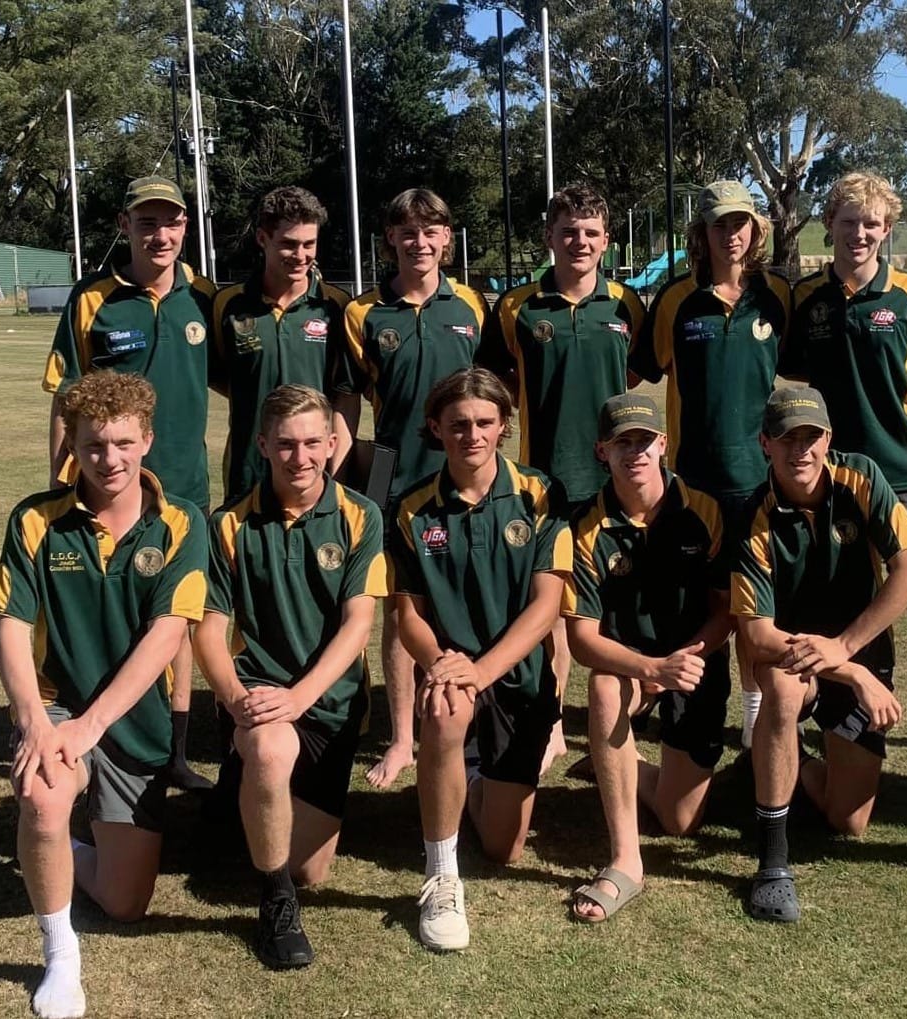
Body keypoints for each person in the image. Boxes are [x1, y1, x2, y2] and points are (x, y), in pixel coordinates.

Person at [0, 371, 208, 1019]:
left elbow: (167, 635)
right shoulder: (35, 518)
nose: (107, 459)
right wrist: (35, 720)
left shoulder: (180, 522)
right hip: (61, 708)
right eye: (92, 445)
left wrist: (92, 726)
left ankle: (68, 844)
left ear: (145, 440)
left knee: (125, 902)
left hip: (129, 720)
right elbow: (8, 625)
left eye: (120, 442)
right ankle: (61, 952)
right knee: (41, 788)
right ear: (72, 447)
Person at [194, 385, 387, 968]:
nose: (299, 458)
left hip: (328, 705)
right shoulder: (228, 522)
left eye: (311, 444)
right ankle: (275, 906)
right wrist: (236, 701)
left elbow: (358, 625)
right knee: (272, 753)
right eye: (284, 445)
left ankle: (242, 800)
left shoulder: (361, 514)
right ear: (262, 446)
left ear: (333, 443)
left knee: (312, 868)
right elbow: (208, 628)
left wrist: (302, 696)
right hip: (261, 701)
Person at [41, 174, 217, 791]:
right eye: (147, 222)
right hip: (106, 490)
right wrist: (59, 482)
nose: (160, 233)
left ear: (185, 226)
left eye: (170, 221)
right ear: (125, 226)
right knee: (109, 612)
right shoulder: (93, 299)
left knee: (179, 620)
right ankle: (96, 733)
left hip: (185, 490)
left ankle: (173, 752)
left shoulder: (205, 298)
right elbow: (67, 398)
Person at [387, 367, 571, 952]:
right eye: (459, 424)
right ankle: (442, 874)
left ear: (503, 427)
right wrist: (443, 663)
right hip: (453, 671)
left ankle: (466, 774)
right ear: (436, 428)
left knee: (504, 847)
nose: (472, 435)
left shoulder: (541, 493)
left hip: (515, 675)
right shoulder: (411, 508)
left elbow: (547, 607)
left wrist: (484, 669)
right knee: (444, 710)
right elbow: (406, 614)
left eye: (485, 423)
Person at [732, 386, 907, 922]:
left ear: (829, 440)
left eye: (811, 437)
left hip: (856, 653)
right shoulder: (753, 515)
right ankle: (772, 864)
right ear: (764, 443)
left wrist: (846, 652)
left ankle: (770, 762)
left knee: (850, 822)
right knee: (779, 686)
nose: (802, 450)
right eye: (787, 438)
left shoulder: (861, 478)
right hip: (796, 660)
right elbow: (757, 636)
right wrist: (850, 673)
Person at [478, 183, 646, 771]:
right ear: (549, 237)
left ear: (607, 241)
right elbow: (496, 390)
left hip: (613, 482)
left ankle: (619, 719)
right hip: (544, 483)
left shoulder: (630, 306)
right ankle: (548, 720)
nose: (580, 241)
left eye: (592, 233)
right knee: (548, 609)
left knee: (617, 605)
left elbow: (643, 376)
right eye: (569, 231)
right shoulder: (516, 306)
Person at [335, 188, 489, 792]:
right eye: (407, 233)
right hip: (394, 478)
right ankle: (401, 737)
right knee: (401, 612)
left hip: (464, 478)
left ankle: (467, 714)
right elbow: (347, 410)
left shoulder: (475, 306)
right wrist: (344, 488)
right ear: (390, 240)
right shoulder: (364, 313)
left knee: (466, 599)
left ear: (447, 239)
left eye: (431, 232)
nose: (419, 243)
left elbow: (491, 397)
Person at [629, 179, 790, 750]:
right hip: (691, 483)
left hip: (755, 480)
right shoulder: (675, 299)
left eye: (741, 223)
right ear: (703, 233)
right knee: (686, 603)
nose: (732, 234)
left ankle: (751, 717)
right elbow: (632, 376)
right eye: (720, 224)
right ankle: (660, 697)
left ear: (757, 230)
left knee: (749, 604)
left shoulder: (776, 296)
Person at [780, 170, 907, 672]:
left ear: (887, 230)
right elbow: (791, 374)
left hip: (904, 469)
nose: (859, 234)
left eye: (872, 224)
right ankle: (844, 713)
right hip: (832, 474)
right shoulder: (807, 298)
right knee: (841, 599)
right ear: (829, 225)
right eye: (850, 222)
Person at [564, 394, 732, 922]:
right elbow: (582, 639)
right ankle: (625, 863)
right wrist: (649, 670)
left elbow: (727, 614)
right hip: (632, 667)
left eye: (644, 440)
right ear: (602, 451)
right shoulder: (586, 525)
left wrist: (683, 662)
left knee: (681, 822)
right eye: (622, 443)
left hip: (696, 665)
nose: (635, 452)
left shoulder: (705, 510)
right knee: (603, 687)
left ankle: (622, 764)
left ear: (663, 443)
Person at [210, 186, 350, 505]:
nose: (300, 256)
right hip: (249, 473)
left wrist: (336, 464)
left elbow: (345, 394)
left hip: (313, 469)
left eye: (309, 244)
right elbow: (219, 375)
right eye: (288, 244)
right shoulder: (227, 305)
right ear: (262, 239)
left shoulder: (336, 306)